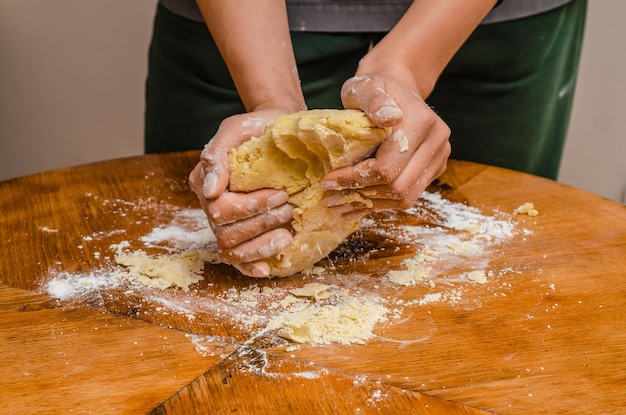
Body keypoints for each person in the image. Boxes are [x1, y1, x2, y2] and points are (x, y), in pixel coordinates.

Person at [145, 0, 587, 277]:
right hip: (243, 22)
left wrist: (406, 65)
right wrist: (269, 99)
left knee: (500, 264)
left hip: (486, 19)